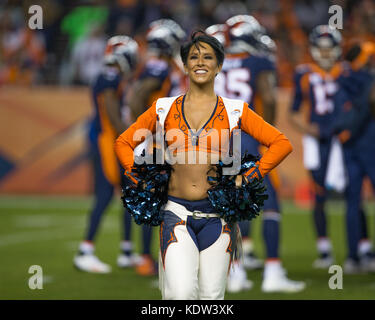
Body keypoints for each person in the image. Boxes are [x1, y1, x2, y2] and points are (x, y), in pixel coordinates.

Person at [115, 31, 293, 300]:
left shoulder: (236, 110)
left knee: (212, 297)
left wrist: (249, 177)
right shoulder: (163, 108)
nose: (200, 62)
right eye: (194, 57)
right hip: (175, 213)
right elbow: (123, 143)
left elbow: (281, 143)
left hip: (219, 217)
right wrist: (141, 181)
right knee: (182, 293)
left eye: (208, 57)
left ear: (219, 66)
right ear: (185, 65)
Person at [211, 15, 305, 293]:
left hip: (219, 142)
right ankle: (273, 273)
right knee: (271, 203)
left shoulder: (216, 63)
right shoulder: (259, 62)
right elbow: (270, 96)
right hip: (247, 138)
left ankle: (235, 274)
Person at [288, 25, 371, 269]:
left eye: (329, 49)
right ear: (314, 50)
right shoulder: (303, 73)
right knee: (319, 194)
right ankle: (324, 249)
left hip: (344, 137)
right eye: (321, 49)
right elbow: (293, 112)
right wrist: (308, 130)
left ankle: (363, 247)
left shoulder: (346, 72)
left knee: (352, 194)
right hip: (318, 140)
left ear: (337, 50)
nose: (325, 54)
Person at [73, 35, 140, 273]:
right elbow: (112, 116)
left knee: (130, 194)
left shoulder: (114, 77)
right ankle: (85, 251)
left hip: (111, 142)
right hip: (106, 144)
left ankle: (126, 251)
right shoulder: (110, 77)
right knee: (104, 195)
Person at [126, 19, 186, 276]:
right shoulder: (159, 66)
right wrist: (147, 129)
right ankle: (147, 258)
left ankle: (153, 257)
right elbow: (137, 96)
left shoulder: (160, 66)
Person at [334, 41, 375, 273]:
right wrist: (350, 129)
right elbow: (367, 104)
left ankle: (353, 255)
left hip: (348, 145)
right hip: (368, 143)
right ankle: (360, 253)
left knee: (352, 201)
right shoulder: (367, 79)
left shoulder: (340, 78)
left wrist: (342, 130)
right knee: (353, 202)